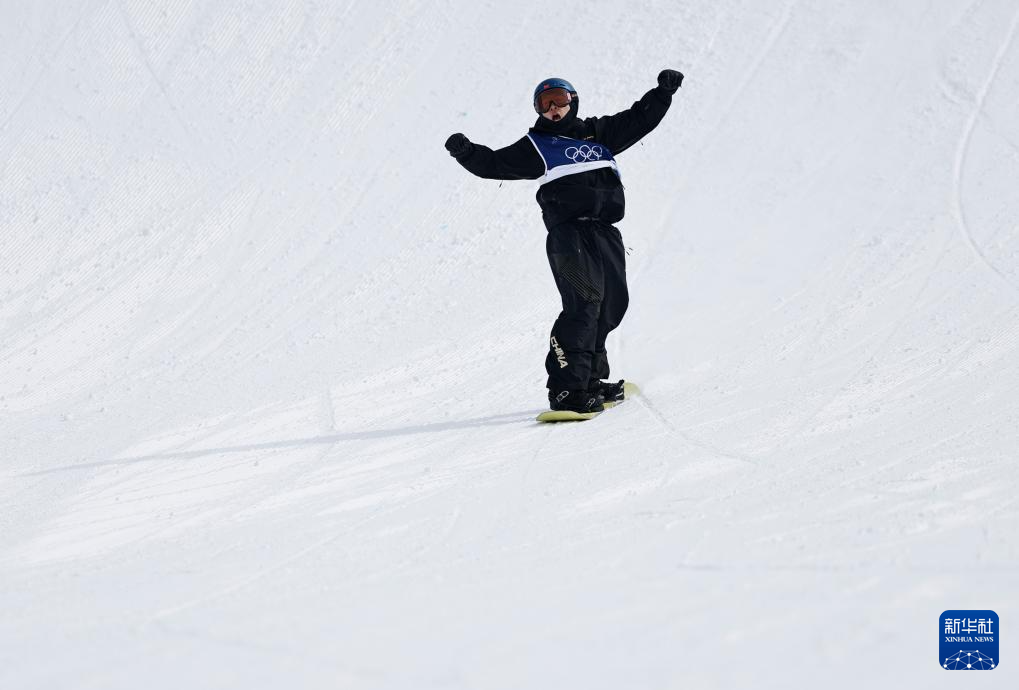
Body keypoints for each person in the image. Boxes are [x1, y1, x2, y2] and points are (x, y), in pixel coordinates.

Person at [445, 69, 683, 414]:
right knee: (584, 303)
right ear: (539, 110)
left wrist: (662, 93)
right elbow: (494, 163)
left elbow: (638, 120)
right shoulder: (537, 145)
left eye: (560, 100)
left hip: (605, 231)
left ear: (573, 101)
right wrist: (466, 152)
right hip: (568, 233)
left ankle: (591, 381)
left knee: (612, 304)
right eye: (546, 104)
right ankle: (566, 390)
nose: (554, 109)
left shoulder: (599, 134)